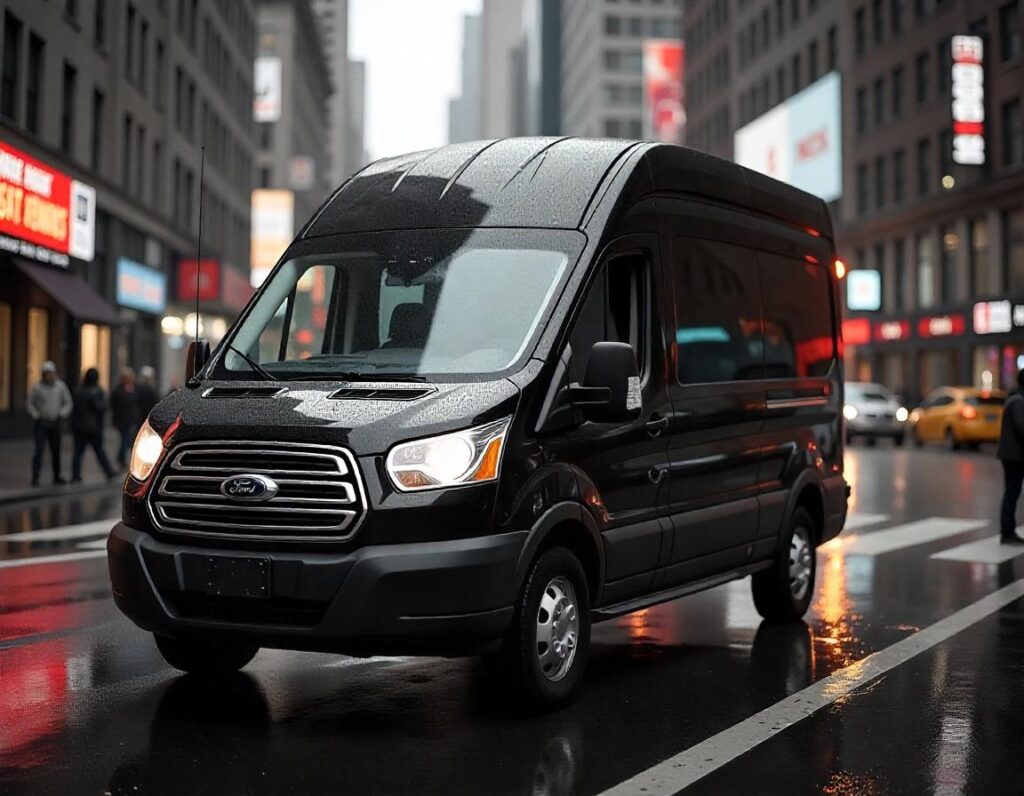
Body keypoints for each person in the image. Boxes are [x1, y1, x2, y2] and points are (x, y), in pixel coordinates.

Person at [27, 361, 73, 487]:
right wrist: (36, 415)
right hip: (42, 423)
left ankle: (57, 475)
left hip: (55, 423)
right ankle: (35, 476)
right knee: (39, 450)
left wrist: (61, 414)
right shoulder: (37, 388)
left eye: (50, 373)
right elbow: (30, 403)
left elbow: (68, 402)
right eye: (46, 373)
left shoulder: (60, 386)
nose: (48, 376)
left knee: (56, 450)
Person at [71, 368, 116, 482]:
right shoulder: (96, 391)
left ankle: (76, 475)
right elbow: (101, 407)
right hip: (93, 427)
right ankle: (108, 471)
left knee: (78, 452)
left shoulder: (79, 390)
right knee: (99, 450)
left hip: (79, 426)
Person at [997, 368, 1024, 545]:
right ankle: (1007, 532)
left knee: (1011, 493)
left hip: (1013, 455)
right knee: (1012, 494)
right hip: (1015, 456)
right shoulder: (1018, 401)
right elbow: (1022, 427)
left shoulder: (1015, 399)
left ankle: (1008, 531)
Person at [111, 367, 138, 469]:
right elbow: (119, 403)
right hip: (122, 419)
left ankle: (121, 459)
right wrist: (128, 393)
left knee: (126, 439)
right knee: (126, 439)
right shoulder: (118, 390)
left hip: (129, 419)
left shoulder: (131, 388)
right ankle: (120, 458)